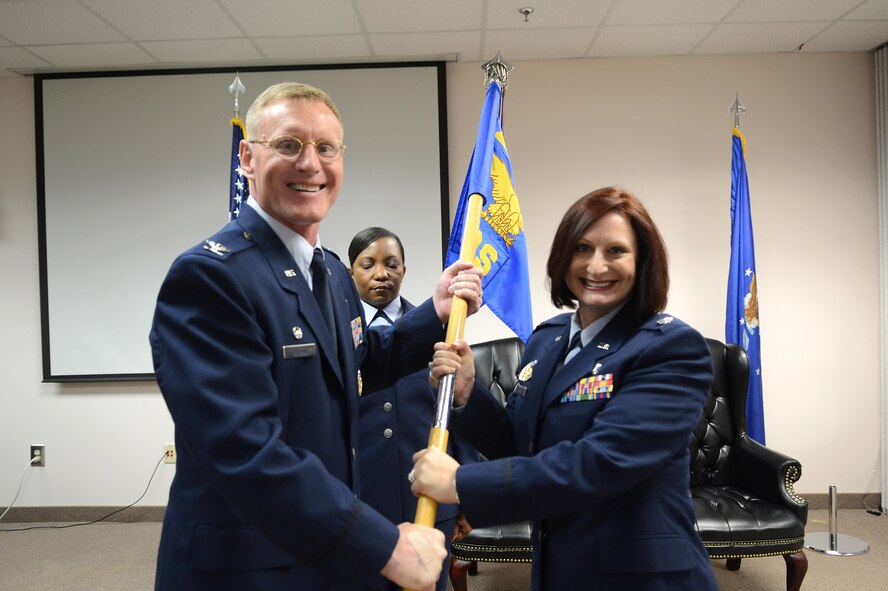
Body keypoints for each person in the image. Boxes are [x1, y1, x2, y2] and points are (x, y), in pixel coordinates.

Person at [149, 82, 482, 591]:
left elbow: (360, 363)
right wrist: (386, 546)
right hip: (249, 567)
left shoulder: (327, 270)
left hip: (323, 553)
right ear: (247, 157)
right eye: (288, 145)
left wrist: (434, 311)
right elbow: (246, 450)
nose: (311, 164)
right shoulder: (212, 278)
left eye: (326, 148)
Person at [410, 186, 718, 590]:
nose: (596, 266)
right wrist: (469, 392)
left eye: (616, 251)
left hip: (640, 576)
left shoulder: (670, 347)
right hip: (560, 566)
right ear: (563, 257)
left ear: (642, 261)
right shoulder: (547, 339)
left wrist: (461, 483)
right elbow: (523, 443)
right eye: (583, 248)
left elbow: (600, 462)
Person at [348, 226, 477, 591]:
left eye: (392, 264)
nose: (381, 273)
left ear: (404, 270)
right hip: (362, 498)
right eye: (367, 264)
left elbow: (457, 409)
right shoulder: (339, 336)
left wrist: (464, 494)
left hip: (427, 497)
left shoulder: (443, 328)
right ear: (350, 273)